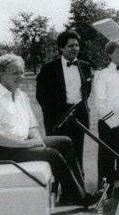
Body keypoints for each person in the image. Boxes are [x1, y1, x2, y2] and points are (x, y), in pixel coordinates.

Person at [0, 54, 94, 207]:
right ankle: (80, 197)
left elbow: (32, 126)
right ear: (1, 74)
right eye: (15, 73)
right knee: (52, 154)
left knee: (65, 142)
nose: (20, 77)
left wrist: (37, 141)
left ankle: (71, 194)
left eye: (21, 72)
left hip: (22, 145)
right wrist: (26, 144)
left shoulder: (20, 95)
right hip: (2, 151)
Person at [35, 30, 93, 171]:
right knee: (58, 156)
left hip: (79, 118)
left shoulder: (85, 66)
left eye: (77, 45)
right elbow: (41, 96)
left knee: (77, 154)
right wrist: (54, 113)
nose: (75, 49)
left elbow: (87, 91)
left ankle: (80, 189)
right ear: (61, 48)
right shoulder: (48, 69)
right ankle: (58, 190)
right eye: (71, 46)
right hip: (57, 120)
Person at [91, 39, 119, 187]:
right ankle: (104, 195)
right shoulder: (102, 75)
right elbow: (100, 102)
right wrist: (117, 123)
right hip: (108, 126)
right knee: (106, 162)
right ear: (110, 54)